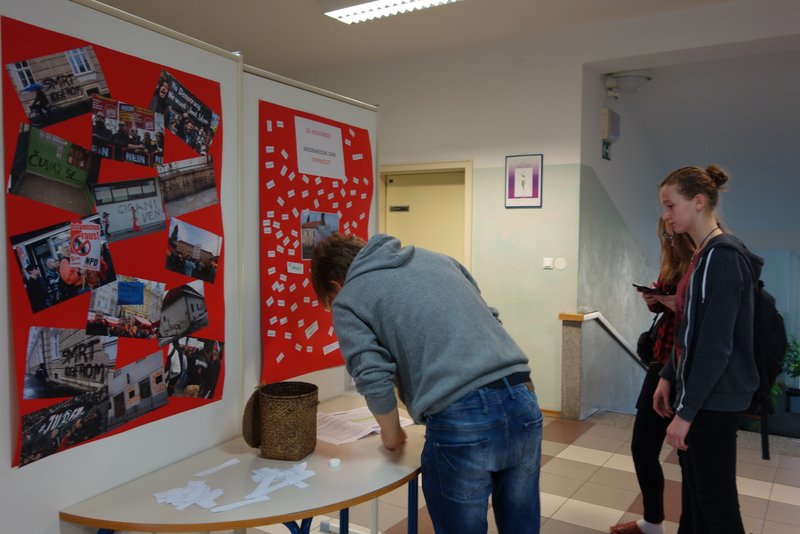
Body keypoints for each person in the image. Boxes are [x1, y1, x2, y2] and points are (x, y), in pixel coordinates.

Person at [311, 233, 543, 534]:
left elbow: (371, 374)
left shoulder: (350, 297)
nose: (333, 309)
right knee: (522, 526)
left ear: (334, 286)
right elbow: (490, 318)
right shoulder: (440, 260)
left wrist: (392, 435)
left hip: (462, 413)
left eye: (329, 303)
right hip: (522, 396)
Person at [652, 165, 759, 534]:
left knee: (715, 501)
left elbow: (716, 345)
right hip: (701, 395)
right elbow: (689, 329)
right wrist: (668, 375)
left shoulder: (723, 256)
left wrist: (687, 412)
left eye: (671, 205)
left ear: (698, 202)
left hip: (715, 399)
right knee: (696, 497)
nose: (666, 215)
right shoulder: (702, 254)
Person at [609, 219, 694, 534]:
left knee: (689, 460)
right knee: (643, 448)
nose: (668, 238)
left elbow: (708, 318)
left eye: (672, 231)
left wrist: (676, 304)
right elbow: (668, 310)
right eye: (664, 233)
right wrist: (654, 301)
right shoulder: (672, 265)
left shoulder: (705, 262)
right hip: (662, 363)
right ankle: (653, 522)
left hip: (687, 368)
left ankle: (687, 525)